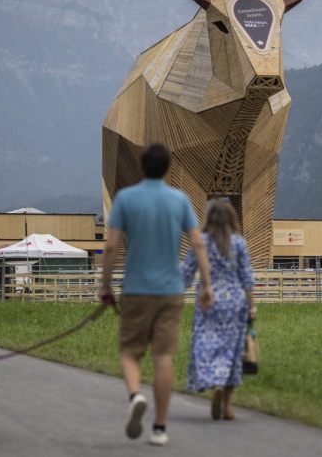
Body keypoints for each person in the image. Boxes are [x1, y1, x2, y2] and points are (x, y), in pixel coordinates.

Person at [100, 143, 213, 447]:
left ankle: (136, 395)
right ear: (168, 168)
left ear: (142, 166)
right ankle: (160, 428)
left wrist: (105, 285)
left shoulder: (126, 199)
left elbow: (110, 247)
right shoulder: (180, 200)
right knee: (163, 356)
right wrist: (207, 284)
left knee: (129, 352)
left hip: (136, 289)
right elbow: (198, 244)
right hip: (170, 290)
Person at [181, 199, 256, 421]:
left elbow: (186, 272)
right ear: (231, 219)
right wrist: (252, 306)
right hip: (235, 302)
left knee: (206, 344)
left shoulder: (201, 242)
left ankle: (215, 382)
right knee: (232, 351)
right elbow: (247, 278)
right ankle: (228, 406)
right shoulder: (239, 243)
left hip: (208, 301)